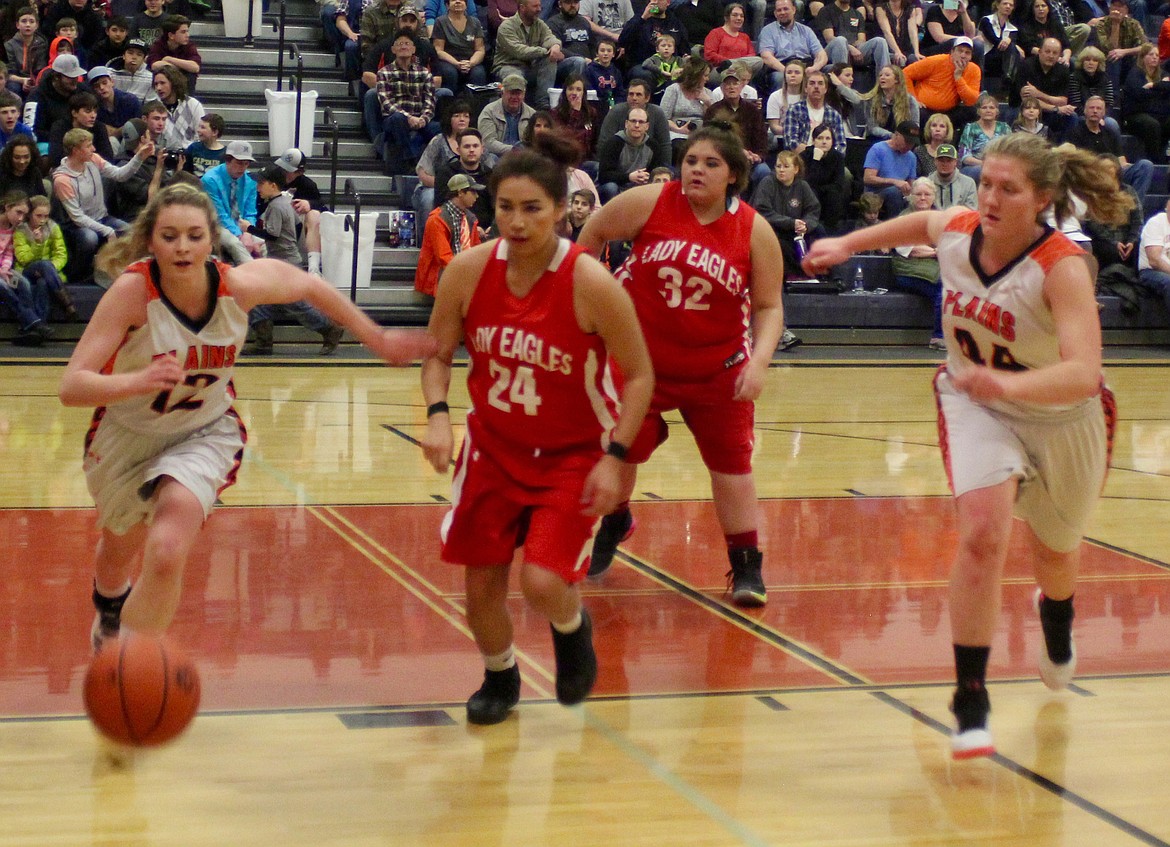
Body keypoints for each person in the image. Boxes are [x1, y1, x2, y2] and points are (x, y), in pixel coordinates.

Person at [802, 132, 1131, 760]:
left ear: (1040, 199)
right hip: (976, 401)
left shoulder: (1060, 267)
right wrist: (846, 242)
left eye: (1009, 189)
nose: (991, 198)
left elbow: (1084, 372)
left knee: (1055, 557)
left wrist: (1006, 380)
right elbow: (918, 221)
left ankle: (1056, 617)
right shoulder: (957, 228)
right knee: (982, 534)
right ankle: (971, 696)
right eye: (986, 184)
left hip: (1064, 418)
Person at [58, 183, 436, 650]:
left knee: (168, 548)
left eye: (194, 236)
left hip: (203, 430)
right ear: (150, 240)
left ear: (211, 240)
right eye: (170, 236)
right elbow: (72, 386)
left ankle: (131, 663)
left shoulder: (237, 286)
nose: (182, 247)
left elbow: (309, 284)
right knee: (121, 546)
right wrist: (136, 381)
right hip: (127, 433)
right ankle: (110, 602)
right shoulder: (133, 293)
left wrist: (378, 340)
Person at [419, 131, 654, 725]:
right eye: (505, 207)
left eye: (533, 209)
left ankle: (572, 631)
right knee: (481, 587)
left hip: (572, 452)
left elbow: (640, 375)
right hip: (494, 448)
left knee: (545, 582)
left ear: (559, 210)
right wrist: (439, 417)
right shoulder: (469, 272)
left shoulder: (590, 282)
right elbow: (438, 353)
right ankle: (500, 674)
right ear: (490, 206)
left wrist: (616, 456)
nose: (518, 222)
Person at [578, 125, 785, 607]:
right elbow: (593, 235)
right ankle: (616, 518)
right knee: (621, 448)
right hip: (640, 364)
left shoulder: (754, 230)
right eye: (691, 160)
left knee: (732, 466)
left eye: (711, 164)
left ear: (733, 175)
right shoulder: (649, 200)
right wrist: (590, 300)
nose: (697, 169)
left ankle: (747, 565)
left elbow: (770, 307)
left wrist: (759, 362)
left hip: (717, 367)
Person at [245, 166, 344, 356]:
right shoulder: (286, 202)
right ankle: (263, 341)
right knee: (259, 298)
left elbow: (272, 235)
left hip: (283, 263)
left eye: (261, 183)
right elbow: (297, 225)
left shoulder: (275, 206)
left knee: (296, 304)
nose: (257, 187)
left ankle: (330, 329)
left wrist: (248, 228)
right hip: (285, 260)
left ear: (273, 185)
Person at [53, 127, 151, 281]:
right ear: (75, 151)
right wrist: (107, 231)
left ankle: (124, 274)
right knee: (90, 238)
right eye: (88, 146)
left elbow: (120, 175)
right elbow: (77, 217)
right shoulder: (62, 180)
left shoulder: (93, 159)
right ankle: (78, 277)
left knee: (130, 231)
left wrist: (139, 157)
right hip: (76, 225)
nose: (93, 148)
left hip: (102, 217)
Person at [890, 177, 943, 347]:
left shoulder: (940, 217)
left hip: (935, 268)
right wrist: (936, 252)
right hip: (908, 271)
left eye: (927, 194)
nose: (922, 198)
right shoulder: (904, 219)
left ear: (933, 197)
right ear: (911, 196)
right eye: (918, 194)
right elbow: (911, 249)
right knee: (944, 290)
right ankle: (938, 336)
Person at [414, 171, 481, 296]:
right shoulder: (437, 219)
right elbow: (443, 257)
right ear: (460, 193)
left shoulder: (470, 218)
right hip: (440, 278)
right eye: (473, 192)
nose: (476, 196)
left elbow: (476, 250)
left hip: (461, 274)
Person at [493, 0, 563, 110]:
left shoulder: (539, 24)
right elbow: (519, 51)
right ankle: (518, 110)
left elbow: (550, 37)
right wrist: (545, 51)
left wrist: (555, 46)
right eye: (535, 6)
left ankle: (543, 104)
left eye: (539, 6)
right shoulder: (506, 26)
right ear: (522, 8)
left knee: (553, 59)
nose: (539, 9)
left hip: (530, 68)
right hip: (508, 66)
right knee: (515, 77)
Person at [902, 36, 980, 134]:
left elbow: (971, 100)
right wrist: (914, 99)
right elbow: (905, 74)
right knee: (917, 112)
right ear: (952, 52)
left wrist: (958, 78)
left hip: (950, 112)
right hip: (925, 109)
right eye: (960, 51)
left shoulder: (974, 70)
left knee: (972, 112)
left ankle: (963, 146)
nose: (963, 55)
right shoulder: (935, 61)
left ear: (971, 56)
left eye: (967, 52)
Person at [14, 192, 73, 321]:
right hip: (26, 270)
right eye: (38, 215)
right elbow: (23, 259)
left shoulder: (53, 227)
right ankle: (67, 304)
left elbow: (61, 254)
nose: (42, 220)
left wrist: (50, 269)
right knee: (44, 264)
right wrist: (37, 244)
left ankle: (41, 324)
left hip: (48, 273)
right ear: (30, 215)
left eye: (46, 216)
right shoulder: (21, 230)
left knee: (43, 282)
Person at [862, 119, 920, 217]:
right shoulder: (878, 149)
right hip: (876, 193)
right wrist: (894, 181)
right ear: (896, 135)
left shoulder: (911, 157)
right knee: (893, 192)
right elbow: (867, 178)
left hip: (900, 194)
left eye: (912, 143)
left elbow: (911, 182)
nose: (909, 146)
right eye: (907, 141)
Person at [431, 0, 488, 92]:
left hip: (470, 60)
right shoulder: (440, 22)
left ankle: (478, 105)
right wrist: (456, 64)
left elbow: (480, 50)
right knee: (449, 72)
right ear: (447, 5)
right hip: (448, 61)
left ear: (466, 4)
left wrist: (470, 63)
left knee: (479, 73)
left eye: (461, 0)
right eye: (453, 0)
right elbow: (438, 50)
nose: (458, 2)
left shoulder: (475, 22)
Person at [478, 73, 536, 158]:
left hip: (524, 158)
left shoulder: (532, 115)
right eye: (511, 93)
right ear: (502, 93)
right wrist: (514, 150)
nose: (514, 97)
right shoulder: (489, 112)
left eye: (518, 93)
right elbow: (488, 143)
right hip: (497, 157)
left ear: (524, 94)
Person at [151, 64, 205, 150]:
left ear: (174, 83)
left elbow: (201, 134)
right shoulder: (153, 107)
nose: (158, 88)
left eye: (162, 83)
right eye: (156, 84)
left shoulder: (193, 104)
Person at [147, 14, 201, 92]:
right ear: (171, 35)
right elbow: (155, 65)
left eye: (187, 31)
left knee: (190, 75)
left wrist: (169, 59)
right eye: (183, 32)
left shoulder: (189, 46)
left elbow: (195, 67)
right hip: (163, 81)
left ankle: (186, 101)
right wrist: (181, 67)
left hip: (183, 83)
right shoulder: (158, 45)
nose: (187, 35)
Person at [927, 142, 977, 209]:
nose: (945, 164)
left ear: (955, 162)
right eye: (941, 160)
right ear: (935, 161)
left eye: (949, 161)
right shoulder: (927, 183)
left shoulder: (968, 183)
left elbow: (972, 211)